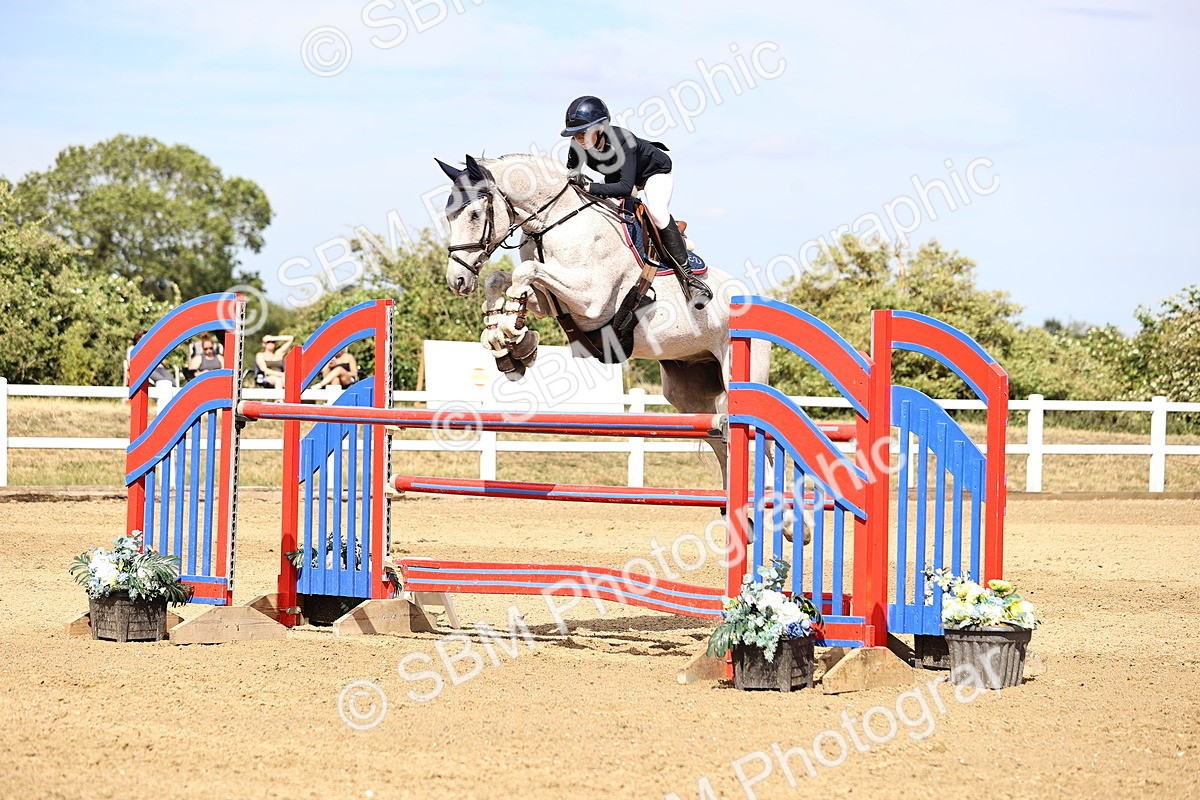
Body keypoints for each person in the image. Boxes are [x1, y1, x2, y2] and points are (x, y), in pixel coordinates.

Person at [561, 95, 712, 309]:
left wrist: (590, 187)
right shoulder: (577, 145)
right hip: (618, 176)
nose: (579, 139)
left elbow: (625, 188)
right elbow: (571, 175)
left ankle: (690, 279)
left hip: (653, 173)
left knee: (658, 212)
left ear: (601, 128)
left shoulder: (623, 140)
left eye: (583, 133)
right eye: (575, 135)